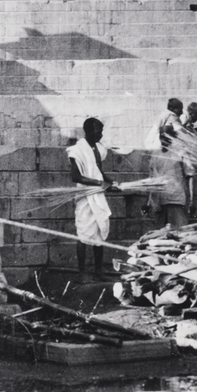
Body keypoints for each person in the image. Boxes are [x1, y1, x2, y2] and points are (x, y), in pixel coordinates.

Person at [67, 117, 120, 278]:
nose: (101, 135)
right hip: (85, 196)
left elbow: (98, 171)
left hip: (97, 195)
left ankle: (98, 271)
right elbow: (76, 177)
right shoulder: (76, 150)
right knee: (83, 234)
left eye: (101, 132)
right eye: (98, 132)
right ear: (88, 131)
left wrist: (111, 182)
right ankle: (82, 273)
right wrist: (99, 183)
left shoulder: (98, 149)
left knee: (99, 231)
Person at [149, 97, 192, 228]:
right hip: (160, 201)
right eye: (162, 137)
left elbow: (190, 176)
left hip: (177, 199)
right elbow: (152, 179)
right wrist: (149, 201)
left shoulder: (181, 152)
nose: (164, 140)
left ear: (173, 138)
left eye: (167, 137)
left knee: (181, 234)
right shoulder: (155, 154)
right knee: (161, 237)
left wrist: (191, 200)